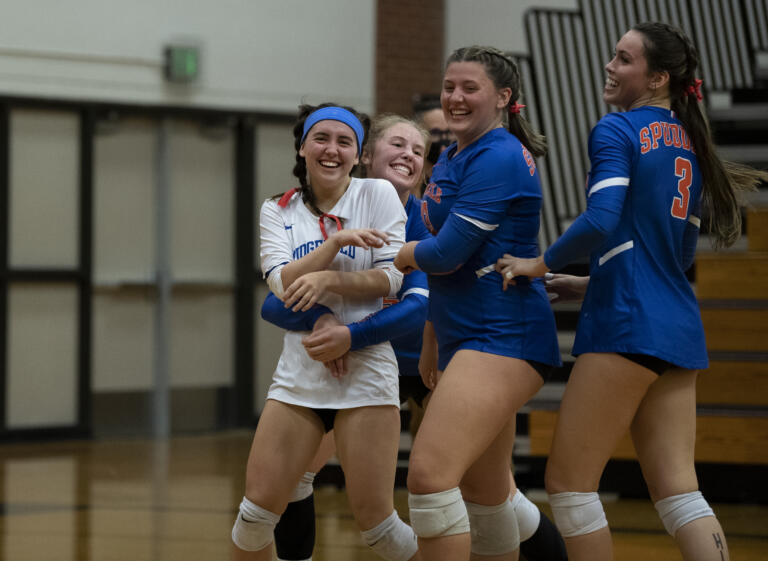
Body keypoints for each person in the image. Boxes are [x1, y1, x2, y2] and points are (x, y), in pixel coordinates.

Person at [495, 22, 768, 561]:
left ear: (656, 77)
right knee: (679, 492)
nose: (609, 66)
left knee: (571, 487)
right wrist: (586, 283)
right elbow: (677, 256)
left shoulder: (616, 130)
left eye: (622, 58)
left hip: (628, 322)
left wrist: (539, 262)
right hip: (678, 324)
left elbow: (599, 219)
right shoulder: (690, 143)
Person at [263, 113, 567, 561]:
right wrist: (323, 317)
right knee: (294, 478)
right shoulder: (325, 214)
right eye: (397, 145)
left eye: (418, 152)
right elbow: (274, 300)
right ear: (366, 155)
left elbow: (419, 305)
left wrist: (350, 330)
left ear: (426, 170)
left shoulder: (429, 221)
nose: (408, 156)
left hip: (437, 363)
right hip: (365, 368)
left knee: (493, 491)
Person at [394, 46, 562, 561]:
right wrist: (432, 339)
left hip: (504, 336)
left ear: (504, 97)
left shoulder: (499, 155)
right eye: (450, 86)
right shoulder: (453, 154)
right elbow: (449, 269)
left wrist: (392, 255)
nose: (455, 97)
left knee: (428, 476)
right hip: (465, 336)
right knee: (486, 496)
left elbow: (445, 256)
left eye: (470, 88)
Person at [232, 103, 420, 561]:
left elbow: (391, 279)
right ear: (302, 147)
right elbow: (281, 284)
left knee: (379, 528)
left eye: (344, 141)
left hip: (367, 373)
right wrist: (334, 245)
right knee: (254, 518)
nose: (332, 149)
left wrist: (329, 282)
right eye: (321, 138)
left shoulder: (377, 193)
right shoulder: (277, 208)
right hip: (301, 371)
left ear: (358, 154)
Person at [413, 94, 456, 195]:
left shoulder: (461, 177)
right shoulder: (409, 179)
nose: (444, 139)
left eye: (449, 132)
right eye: (436, 133)